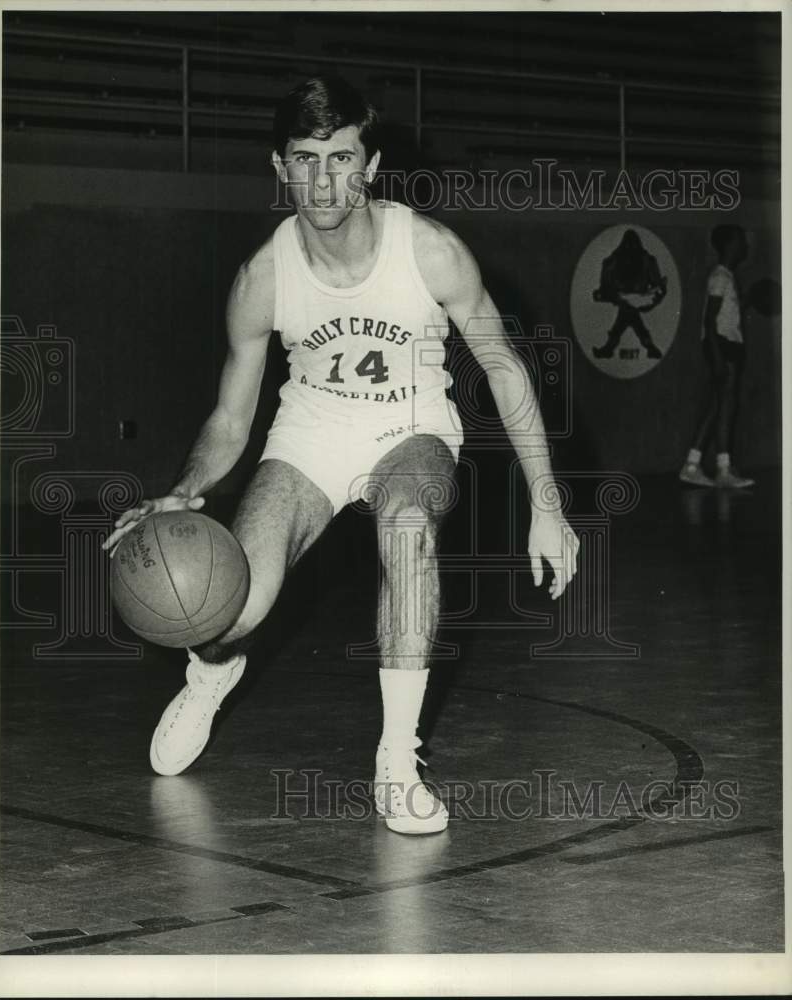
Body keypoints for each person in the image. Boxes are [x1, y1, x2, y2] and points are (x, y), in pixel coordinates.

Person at [103, 75, 580, 835]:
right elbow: (231, 418)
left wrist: (547, 509)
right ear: (279, 168)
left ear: (370, 163)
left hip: (411, 429)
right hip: (310, 437)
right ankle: (213, 669)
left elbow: (504, 368)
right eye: (305, 159)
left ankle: (396, 760)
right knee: (226, 610)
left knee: (407, 524)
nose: (323, 179)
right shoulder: (262, 279)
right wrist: (184, 488)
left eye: (340, 158)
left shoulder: (427, 250)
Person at [679, 224, 754, 489]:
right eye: (740, 240)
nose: (744, 245)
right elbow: (710, 321)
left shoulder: (727, 277)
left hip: (725, 344)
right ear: (730, 244)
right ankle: (723, 469)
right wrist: (718, 356)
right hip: (722, 345)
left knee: (716, 406)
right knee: (726, 407)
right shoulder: (720, 276)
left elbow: (724, 315)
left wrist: (748, 301)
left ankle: (692, 465)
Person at [591, 229, 667, 360]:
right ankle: (651, 349)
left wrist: (654, 295)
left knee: (625, 320)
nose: (630, 248)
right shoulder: (618, 258)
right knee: (631, 320)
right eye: (628, 245)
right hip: (627, 299)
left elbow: (656, 284)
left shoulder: (644, 259)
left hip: (632, 300)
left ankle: (609, 350)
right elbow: (608, 277)